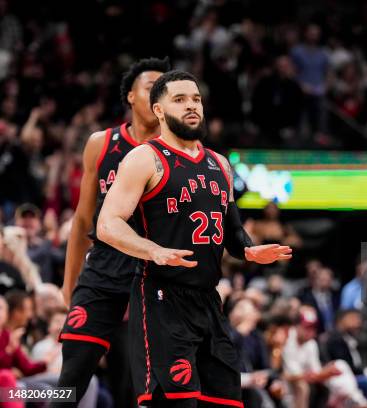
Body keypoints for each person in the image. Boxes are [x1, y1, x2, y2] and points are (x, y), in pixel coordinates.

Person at [96, 70, 292, 406]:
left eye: (196, 99)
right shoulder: (145, 158)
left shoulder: (219, 163)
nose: (192, 106)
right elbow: (107, 224)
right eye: (180, 99)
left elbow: (233, 231)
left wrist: (249, 250)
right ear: (158, 110)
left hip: (209, 302)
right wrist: (153, 250)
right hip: (161, 298)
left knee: (227, 402)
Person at [54, 57, 171, 406]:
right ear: (131, 97)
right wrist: (68, 282)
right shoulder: (102, 143)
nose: (158, 95)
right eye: (151, 87)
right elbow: (82, 218)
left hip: (150, 273)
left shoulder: (179, 151)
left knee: (137, 388)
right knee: (70, 378)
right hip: (103, 267)